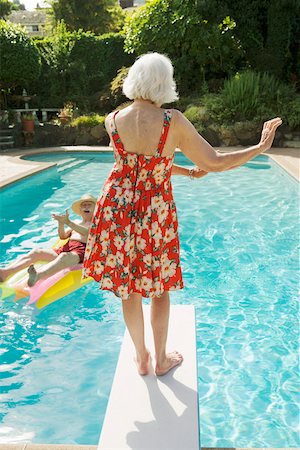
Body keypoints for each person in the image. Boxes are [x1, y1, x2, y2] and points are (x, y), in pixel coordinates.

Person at [82, 52, 282, 377]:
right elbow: (214, 162)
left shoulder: (113, 119)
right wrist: (259, 148)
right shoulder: (171, 120)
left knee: (127, 287)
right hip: (153, 212)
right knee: (159, 289)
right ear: (165, 83)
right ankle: (160, 360)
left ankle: (142, 356)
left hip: (115, 208)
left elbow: (136, 166)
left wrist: (187, 173)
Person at [0, 193, 97, 287]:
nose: (86, 207)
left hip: (80, 253)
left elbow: (87, 233)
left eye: (89, 205)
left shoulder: (96, 224)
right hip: (66, 247)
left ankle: (38, 275)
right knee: (37, 252)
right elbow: (63, 236)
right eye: (84, 205)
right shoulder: (76, 222)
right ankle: (5, 272)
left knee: (64, 256)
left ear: (95, 208)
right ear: (80, 209)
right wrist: (61, 223)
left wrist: (68, 222)